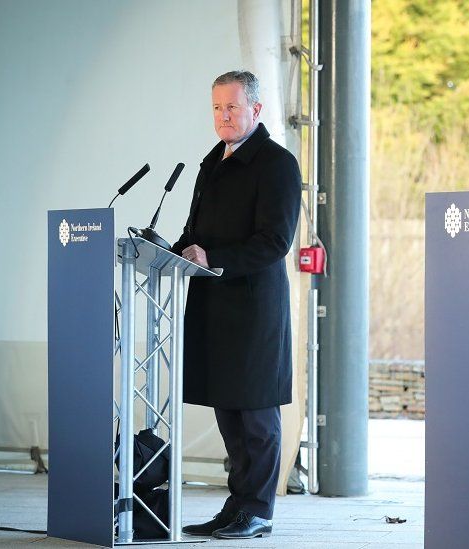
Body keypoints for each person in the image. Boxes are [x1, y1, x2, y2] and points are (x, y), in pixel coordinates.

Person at [172, 70, 301, 539]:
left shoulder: (276, 164)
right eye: (217, 108)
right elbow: (196, 231)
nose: (224, 116)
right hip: (212, 304)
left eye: (233, 107)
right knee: (228, 409)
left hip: (254, 309)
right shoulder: (211, 163)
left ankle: (259, 509)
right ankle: (237, 503)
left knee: (256, 414)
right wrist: (174, 250)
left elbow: (275, 241)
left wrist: (214, 258)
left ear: (256, 110)